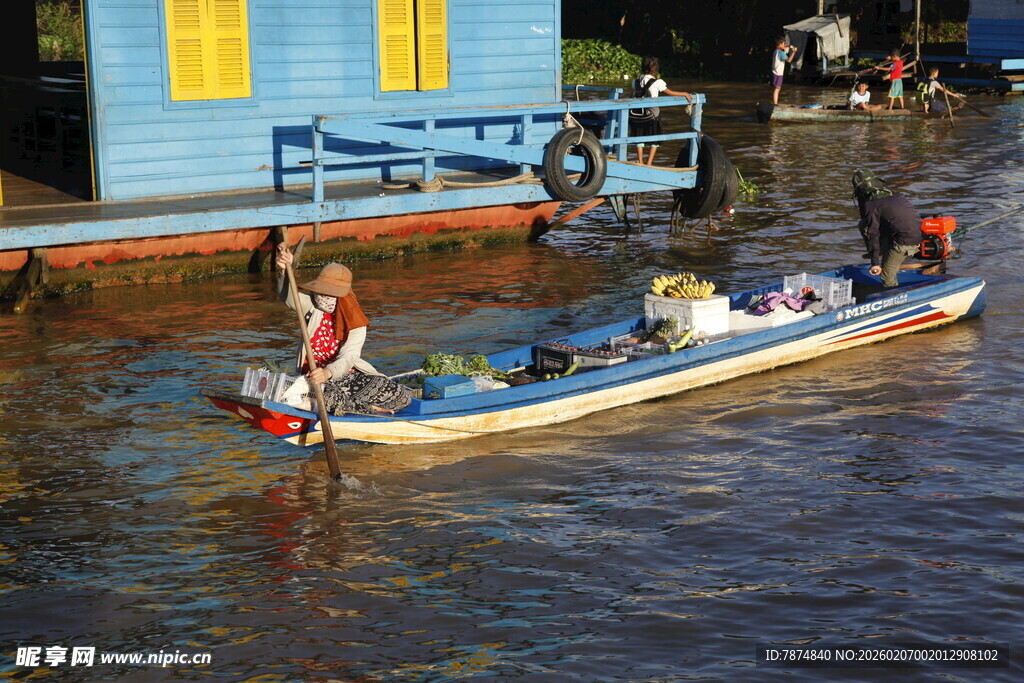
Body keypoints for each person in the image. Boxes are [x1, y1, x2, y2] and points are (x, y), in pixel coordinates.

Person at [275, 244, 411, 415]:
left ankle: (348, 405)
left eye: (328, 293)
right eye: (320, 291)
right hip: (312, 377)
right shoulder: (313, 305)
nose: (321, 296)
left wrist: (328, 372)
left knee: (401, 396)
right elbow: (289, 297)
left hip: (342, 376)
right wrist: (284, 270)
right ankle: (360, 408)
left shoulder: (356, 321)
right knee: (327, 395)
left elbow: (348, 357)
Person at [851, 170, 923, 289]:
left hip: (904, 243)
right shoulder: (895, 195)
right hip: (915, 234)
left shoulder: (872, 204)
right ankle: (880, 251)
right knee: (864, 224)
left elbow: (872, 233)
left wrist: (875, 264)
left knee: (886, 276)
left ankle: (895, 294)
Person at [629, 56, 693, 165]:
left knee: (639, 138)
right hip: (652, 115)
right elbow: (670, 93)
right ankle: (649, 163)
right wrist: (685, 94)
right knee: (655, 140)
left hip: (637, 114)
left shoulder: (635, 82)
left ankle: (640, 161)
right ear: (655, 68)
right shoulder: (658, 82)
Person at [770, 37, 798, 105]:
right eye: (784, 44)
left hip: (774, 72)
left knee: (776, 89)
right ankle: (775, 104)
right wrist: (794, 52)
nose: (785, 45)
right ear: (780, 44)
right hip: (778, 74)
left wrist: (785, 49)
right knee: (777, 89)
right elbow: (789, 60)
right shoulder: (781, 53)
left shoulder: (776, 51)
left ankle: (775, 103)